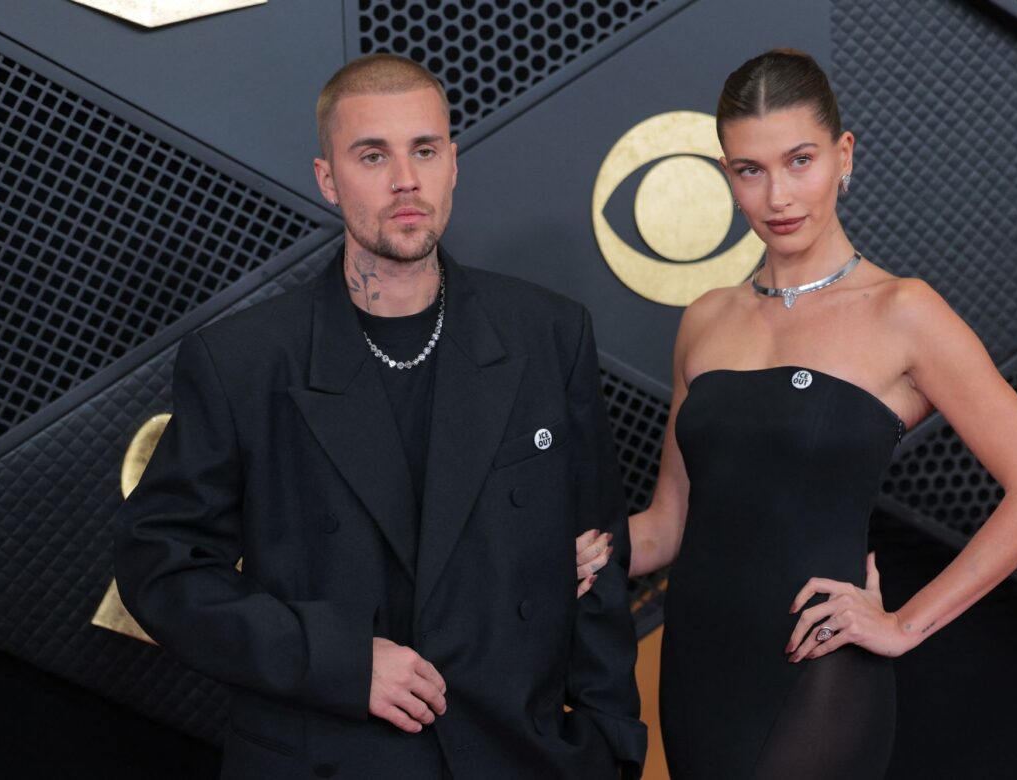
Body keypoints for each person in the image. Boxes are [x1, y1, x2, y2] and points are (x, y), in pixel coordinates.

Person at [113, 53, 644, 780]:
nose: (405, 179)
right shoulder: (243, 361)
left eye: (424, 150)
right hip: (326, 754)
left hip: (519, 757)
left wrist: (612, 745)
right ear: (328, 178)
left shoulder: (547, 335)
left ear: (452, 163)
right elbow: (163, 571)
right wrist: (334, 660)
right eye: (373, 155)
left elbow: (600, 552)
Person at [624, 49, 1017, 779]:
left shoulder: (904, 312)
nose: (778, 195)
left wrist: (903, 624)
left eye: (799, 160)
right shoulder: (706, 319)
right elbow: (666, 526)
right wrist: (585, 548)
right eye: (751, 170)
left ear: (844, 156)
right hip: (697, 671)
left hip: (819, 674)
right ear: (726, 176)